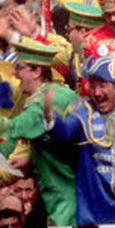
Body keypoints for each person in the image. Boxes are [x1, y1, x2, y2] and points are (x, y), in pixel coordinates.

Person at [44, 53, 115, 226]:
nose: (97, 92)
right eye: (93, 86)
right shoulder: (82, 111)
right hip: (96, 207)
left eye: (103, 86)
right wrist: (51, 120)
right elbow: (65, 133)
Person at [0, 39, 77, 227]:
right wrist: (30, 159)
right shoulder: (53, 93)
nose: (15, 74)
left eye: (19, 68)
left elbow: (14, 127)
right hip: (58, 186)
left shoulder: (47, 100)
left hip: (63, 190)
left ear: (37, 72)